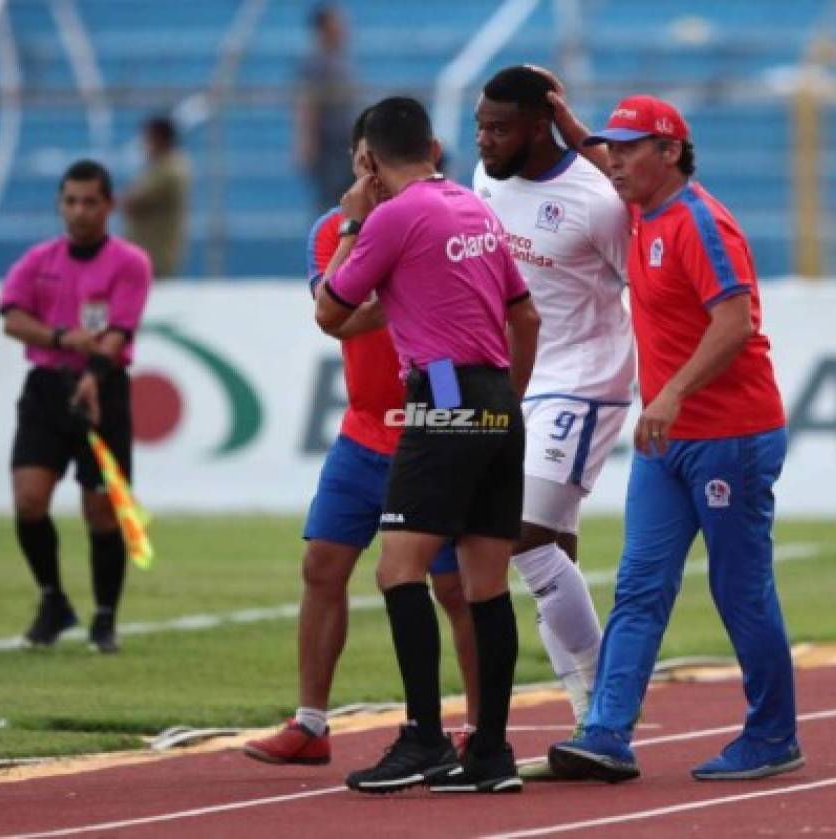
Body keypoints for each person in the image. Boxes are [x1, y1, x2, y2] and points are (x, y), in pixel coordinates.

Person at [542, 93, 802, 782]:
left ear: (671, 152)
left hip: (730, 435)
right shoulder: (639, 207)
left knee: (738, 589)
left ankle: (773, 733)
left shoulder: (700, 223)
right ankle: (605, 732)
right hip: (671, 438)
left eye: (631, 147)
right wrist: (567, 124)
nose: (615, 159)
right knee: (639, 584)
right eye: (613, 147)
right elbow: (598, 159)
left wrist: (673, 391)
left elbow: (735, 320)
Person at [315, 97, 540, 794]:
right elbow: (524, 313)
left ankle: (423, 738)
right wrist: (505, 398)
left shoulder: (390, 216)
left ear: (367, 160)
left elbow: (330, 312)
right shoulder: (474, 209)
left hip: (441, 398)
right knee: (485, 585)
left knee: (397, 571)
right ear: (435, 148)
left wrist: (353, 218)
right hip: (498, 397)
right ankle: (492, 752)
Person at [243, 110, 480, 767]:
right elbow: (335, 316)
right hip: (365, 425)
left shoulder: (442, 217)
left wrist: (369, 299)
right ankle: (312, 724)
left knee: (455, 586)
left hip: (434, 415)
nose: (368, 173)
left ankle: (478, 728)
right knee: (322, 564)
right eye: (361, 162)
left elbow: (355, 311)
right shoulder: (332, 229)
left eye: (373, 161)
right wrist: (357, 238)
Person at [472, 66, 634, 776]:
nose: (485, 139)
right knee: (551, 552)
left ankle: (609, 707)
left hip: (583, 380)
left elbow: (649, 287)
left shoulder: (597, 200)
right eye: (480, 125)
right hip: (520, 380)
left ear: (540, 125)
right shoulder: (487, 184)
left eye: (499, 127)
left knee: (522, 537)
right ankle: (587, 726)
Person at [0, 160, 152, 655]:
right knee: (28, 500)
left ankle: (104, 617)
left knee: (101, 511)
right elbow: (11, 317)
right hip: (46, 388)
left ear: (108, 205)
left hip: (103, 391)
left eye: (90, 201)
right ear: (61, 205)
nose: (80, 211)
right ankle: (53, 599)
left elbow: (119, 332)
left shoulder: (129, 263)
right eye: (71, 201)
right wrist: (61, 337)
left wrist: (92, 376)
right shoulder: (39, 260)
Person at [294, 3, 358, 212]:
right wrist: (306, 143)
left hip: (349, 149)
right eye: (337, 22)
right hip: (329, 151)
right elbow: (306, 104)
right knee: (332, 206)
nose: (343, 27)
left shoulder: (342, 61)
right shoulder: (315, 64)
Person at [122, 116, 190, 279]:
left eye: (147, 138)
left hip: (155, 256)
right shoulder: (160, 166)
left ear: (159, 138)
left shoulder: (169, 170)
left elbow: (131, 202)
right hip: (149, 255)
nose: (145, 144)